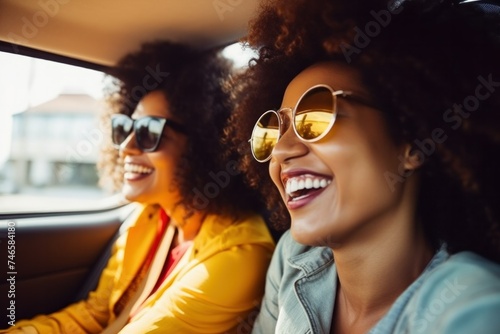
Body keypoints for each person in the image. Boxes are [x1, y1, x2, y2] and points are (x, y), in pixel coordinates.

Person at [224, 0, 500, 333]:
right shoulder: (291, 259)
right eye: (272, 130)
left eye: (317, 115)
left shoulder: (472, 308)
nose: (281, 150)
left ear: (411, 141)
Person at [4, 41, 275, 333]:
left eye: (149, 132)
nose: (126, 147)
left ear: (206, 144)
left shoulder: (240, 256)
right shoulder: (146, 220)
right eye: (124, 128)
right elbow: (96, 314)